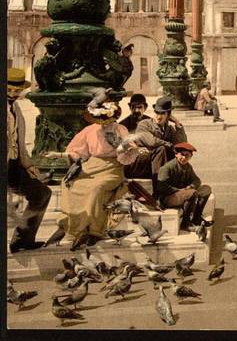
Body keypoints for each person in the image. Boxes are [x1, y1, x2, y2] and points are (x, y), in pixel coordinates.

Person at [44, 92, 139, 249]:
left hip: (112, 168)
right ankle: (70, 225)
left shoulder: (120, 129)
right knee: (69, 183)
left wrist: (123, 146)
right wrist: (59, 154)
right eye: (100, 120)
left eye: (106, 120)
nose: (103, 123)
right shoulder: (90, 130)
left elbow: (129, 151)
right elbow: (78, 151)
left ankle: (93, 230)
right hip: (91, 165)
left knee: (96, 188)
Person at [7, 67, 52, 253]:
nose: (13, 93)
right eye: (9, 89)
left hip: (14, 164)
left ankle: (22, 240)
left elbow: (18, 138)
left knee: (41, 194)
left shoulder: (16, 108)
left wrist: (28, 164)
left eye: (17, 90)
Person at [124, 96, 187, 197]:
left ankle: (175, 187)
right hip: (137, 164)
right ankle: (159, 193)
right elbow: (152, 142)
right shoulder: (144, 124)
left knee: (178, 155)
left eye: (162, 113)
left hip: (154, 165)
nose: (159, 116)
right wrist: (169, 144)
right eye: (157, 113)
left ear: (168, 115)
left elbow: (182, 145)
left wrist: (177, 123)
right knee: (162, 149)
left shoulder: (169, 129)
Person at [156, 142, 212, 231]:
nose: (184, 158)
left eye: (187, 155)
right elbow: (161, 186)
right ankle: (185, 223)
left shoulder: (187, 166)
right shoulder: (167, 167)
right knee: (192, 193)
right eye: (182, 154)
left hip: (181, 194)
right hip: (168, 198)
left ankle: (196, 218)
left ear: (191, 156)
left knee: (206, 189)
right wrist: (179, 190)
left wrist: (190, 186)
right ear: (176, 155)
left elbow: (197, 180)